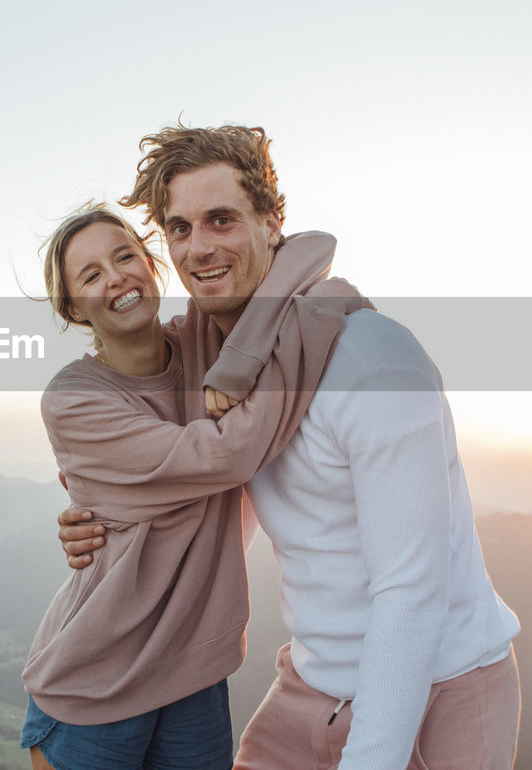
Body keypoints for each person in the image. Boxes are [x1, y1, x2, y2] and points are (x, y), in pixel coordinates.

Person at [59, 124, 522, 769]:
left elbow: (411, 590)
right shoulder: (220, 362)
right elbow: (208, 492)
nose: (198, 249)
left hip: (442, 685)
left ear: (272, 221)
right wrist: (111, 522)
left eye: (221, 220)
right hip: (312, 683)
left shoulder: (377, 364)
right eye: (180, 228)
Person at [22, 202, 364, 770]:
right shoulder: (75, 399)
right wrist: (319, 318)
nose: (116, 278)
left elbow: (312, 249)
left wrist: (250, 355)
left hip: (194, 677)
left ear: (152, 264)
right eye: (90, 275)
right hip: (96, 680)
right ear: (73, 307)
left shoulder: (209, 340)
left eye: (125, 255)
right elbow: (228, 453)